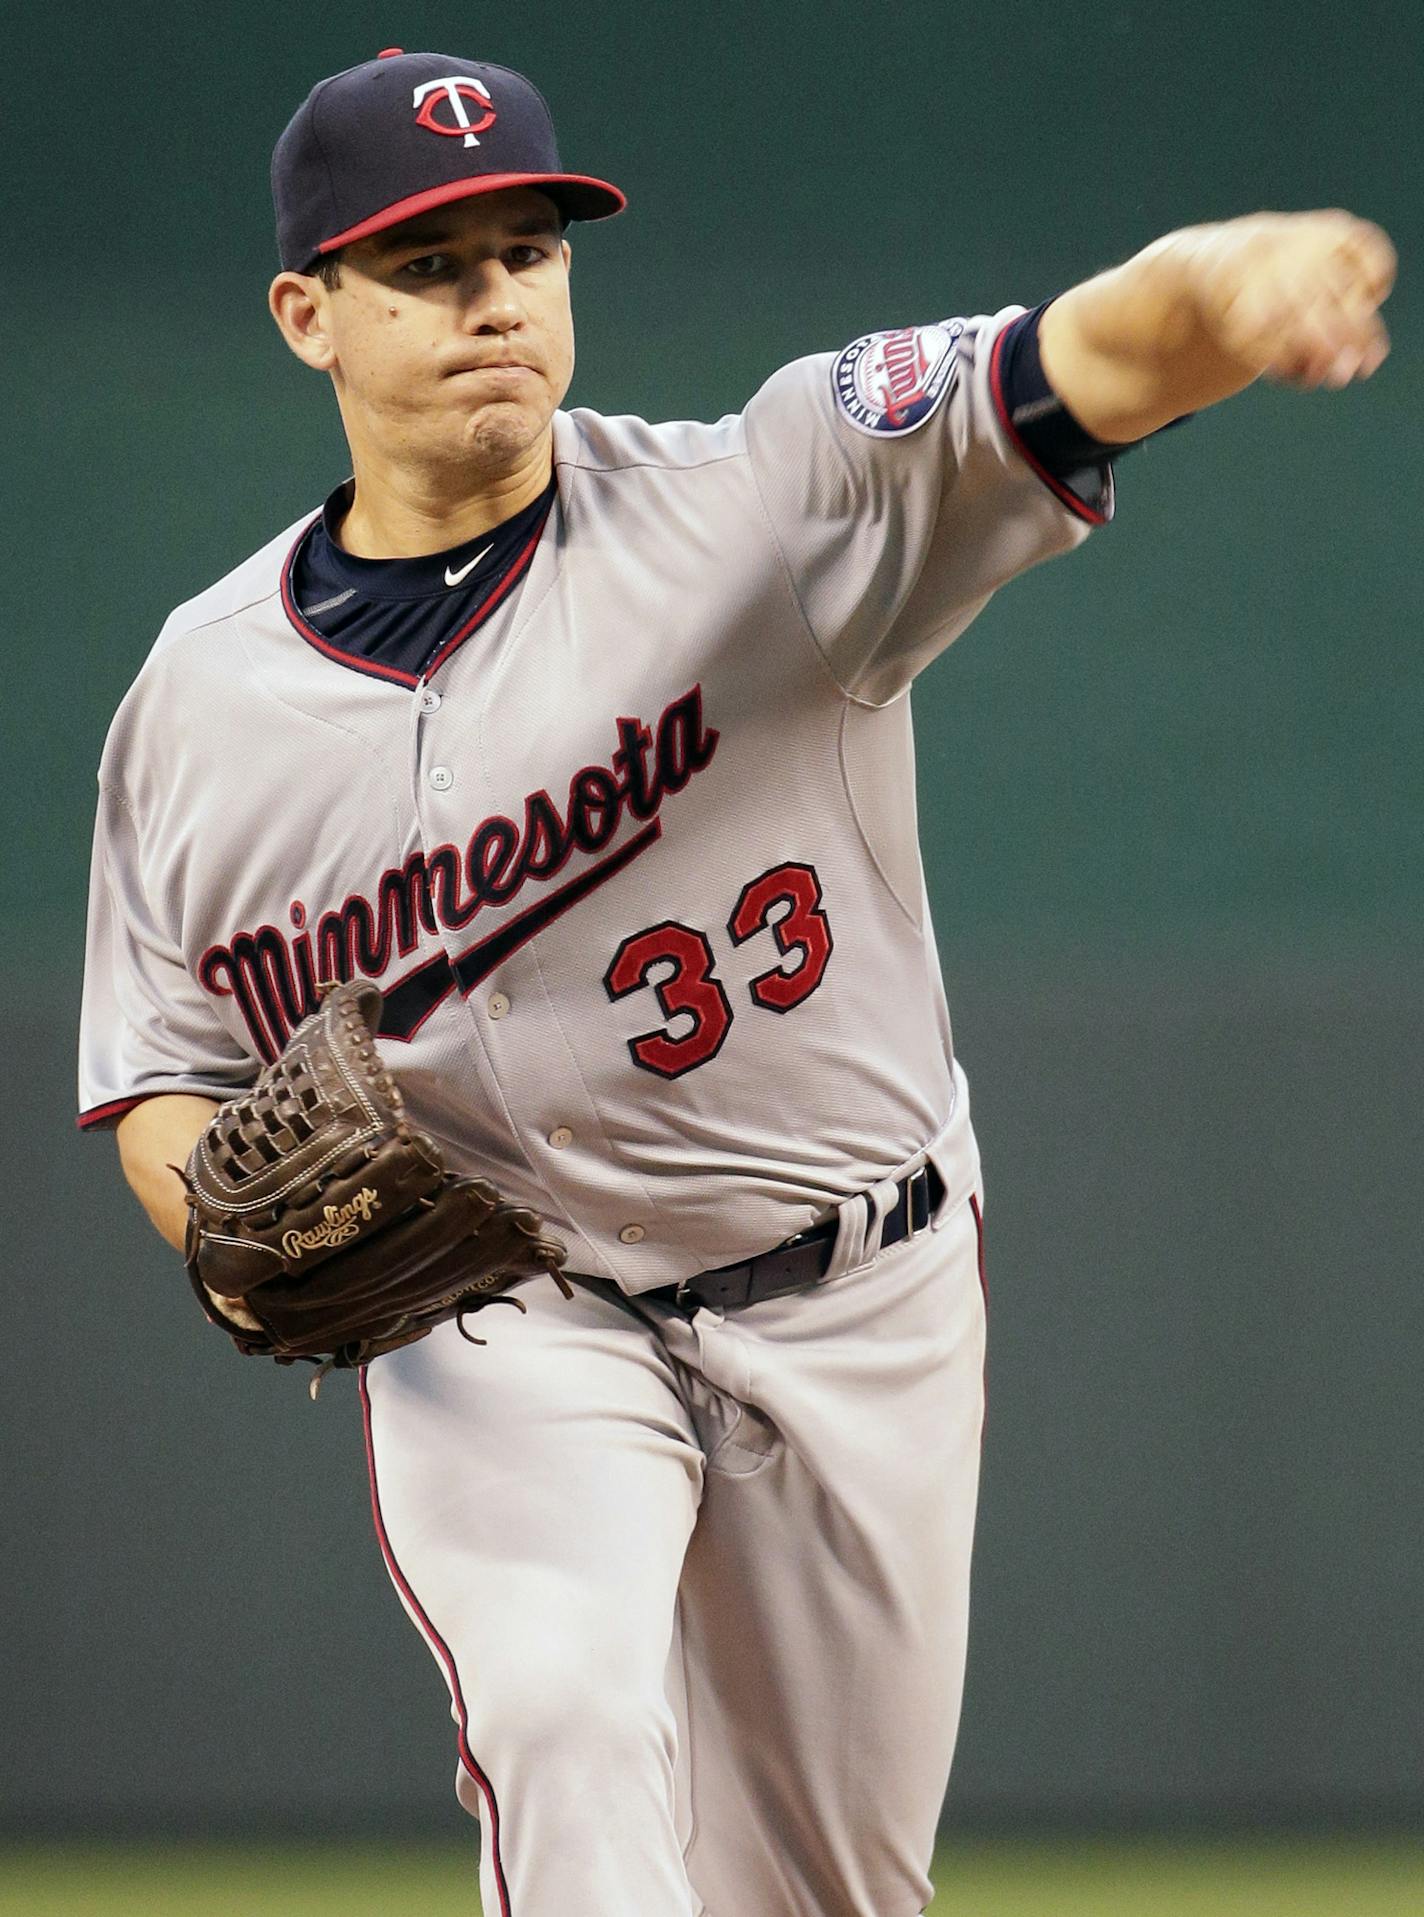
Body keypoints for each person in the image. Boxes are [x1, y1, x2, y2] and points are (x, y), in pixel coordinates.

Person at [79, 45, 1395, 1917]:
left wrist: (1219, 287)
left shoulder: (764, 506)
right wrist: (227, 1221)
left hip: (861, 1284)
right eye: (425, 259)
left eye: (524, 247)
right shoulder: (198, 703)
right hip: (508, 1311)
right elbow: (165, 1079)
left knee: (828, 1890)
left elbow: (1067, 368)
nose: (490, 297)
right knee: (561, 1710)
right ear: (309, 315)